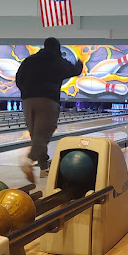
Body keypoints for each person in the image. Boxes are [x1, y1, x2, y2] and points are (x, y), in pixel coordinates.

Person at [16, 37, 83, 182]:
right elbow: (75, 70)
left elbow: (18, 78)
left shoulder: (29, 60)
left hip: (28, 101)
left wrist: (27, 92)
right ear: (57, 49)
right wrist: (79, 62)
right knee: (43, 135)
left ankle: (44, 168)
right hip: (48, 101)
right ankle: (28, 160)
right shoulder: (58, 62)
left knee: (36, 135)